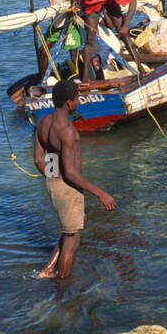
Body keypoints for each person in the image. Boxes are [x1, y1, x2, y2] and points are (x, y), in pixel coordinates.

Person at [34, 78, 116, 279]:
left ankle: (48, 269)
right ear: (70, 103)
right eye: (78, 97)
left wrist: (54, 177)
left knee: (78, 223)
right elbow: (70, 172)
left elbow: (38, 160)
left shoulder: (42, 122)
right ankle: (63, 289)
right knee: (72, 241)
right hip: (67, 187)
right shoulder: (67, 131)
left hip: (53, 184)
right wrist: (101, 193)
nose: (79, 101)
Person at [70, 0, 147, 80]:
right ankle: (85, 78)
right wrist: (75, 1)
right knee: (89, 41)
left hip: (110, 1)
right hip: (92, 6)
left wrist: (125, 26)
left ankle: (141, 69)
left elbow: (133, 2)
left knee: (124, 35)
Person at [25, 0, 79, 74]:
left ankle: (80, 77)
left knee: (73, 52)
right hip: (58, 18)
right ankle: (42, 79)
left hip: (69, 17)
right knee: (43, 52)